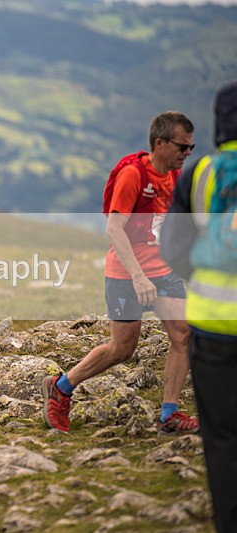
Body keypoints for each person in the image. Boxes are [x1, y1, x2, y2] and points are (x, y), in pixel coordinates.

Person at [42, 111, 199, 434]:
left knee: (182, 335)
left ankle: (169, 414)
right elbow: (114, 229)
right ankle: (61, 387)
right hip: (127, 272)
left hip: (163, 271)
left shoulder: (174, 177)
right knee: (122, 349)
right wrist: (139, 277)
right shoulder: (133, 175)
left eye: (191, 148)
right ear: (160, 142)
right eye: (182, 147)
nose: (187, 153)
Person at [160, 81, 237, 533]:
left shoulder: (202, 173)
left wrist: (199, 276)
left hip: (212, 327)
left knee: (222, 437)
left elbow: (173, 246)